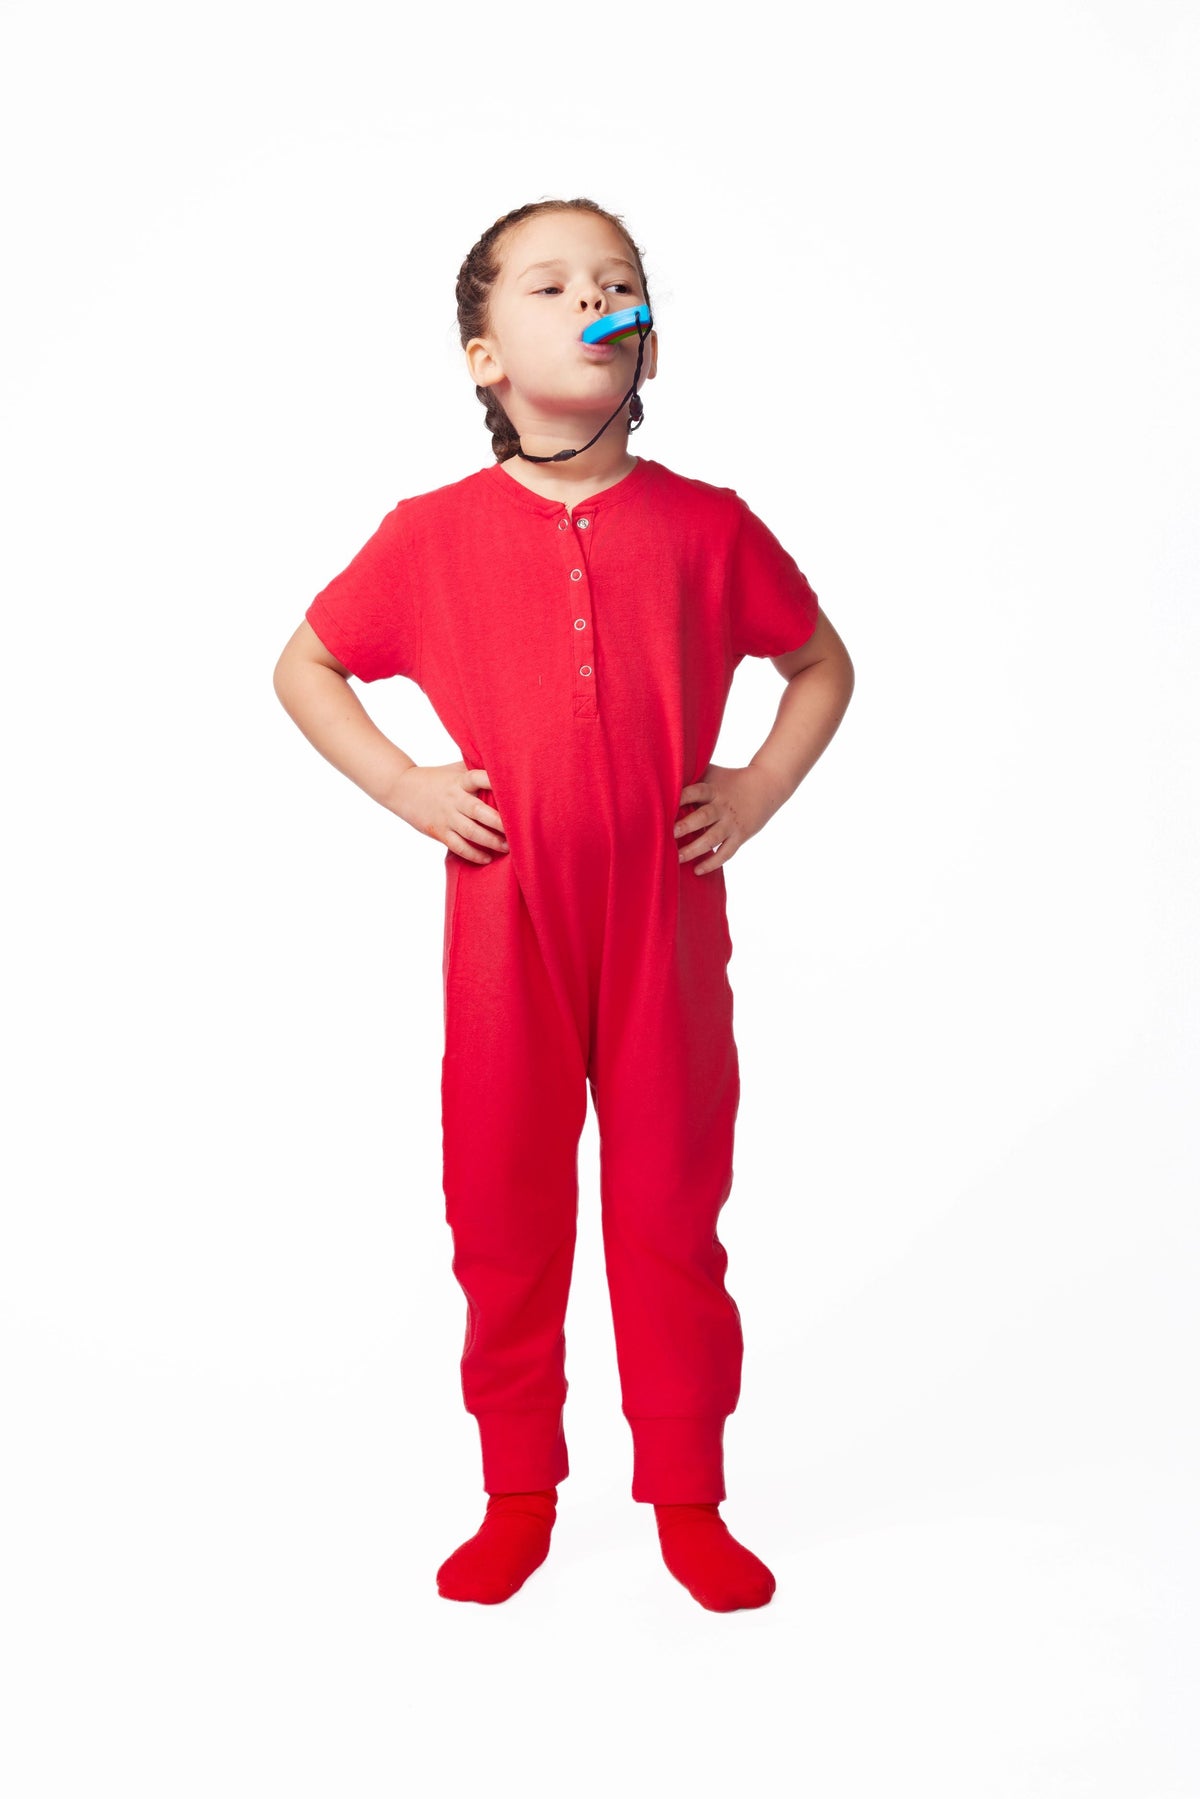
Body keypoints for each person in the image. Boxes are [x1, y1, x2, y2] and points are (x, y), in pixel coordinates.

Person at [273, 197, 854, 1612]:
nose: (595, 298)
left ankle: (687, 1494)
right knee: (503, 1203)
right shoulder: (429, 537)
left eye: (619, 282)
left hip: (665, 923)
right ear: (484, 356)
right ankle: (518, 1490)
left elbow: (821, 664)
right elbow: (306, 666)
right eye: (552, 285)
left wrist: (759, 788)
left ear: (648, 338)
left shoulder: (709, 528)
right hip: (505, 926)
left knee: (670, 1204)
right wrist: (407, 784)